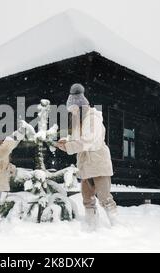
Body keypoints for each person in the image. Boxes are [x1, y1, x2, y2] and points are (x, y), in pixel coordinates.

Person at [55, 83, 120, 230]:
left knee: (105, 198)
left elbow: (88, 140)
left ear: (80, 107)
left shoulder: (93, 118)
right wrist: (66, 142)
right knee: (87, 198)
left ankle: (116, 226)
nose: (73, 113)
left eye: (74, 110)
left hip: (98, 163)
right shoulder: (80, 121)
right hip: (85, 165)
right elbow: (78, 140)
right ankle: (91, 226)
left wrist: (69, 146)